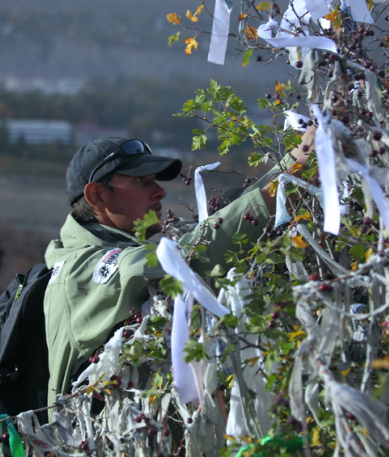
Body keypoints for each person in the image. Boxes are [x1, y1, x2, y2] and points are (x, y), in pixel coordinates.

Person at [43, 131, 315, 419]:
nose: (159, 191)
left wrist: (296, 162)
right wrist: (293, 178)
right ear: (96, 195)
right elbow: (186, 259)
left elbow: (215, 228)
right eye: (141, 181)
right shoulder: (78, 271)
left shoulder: (132, 244)